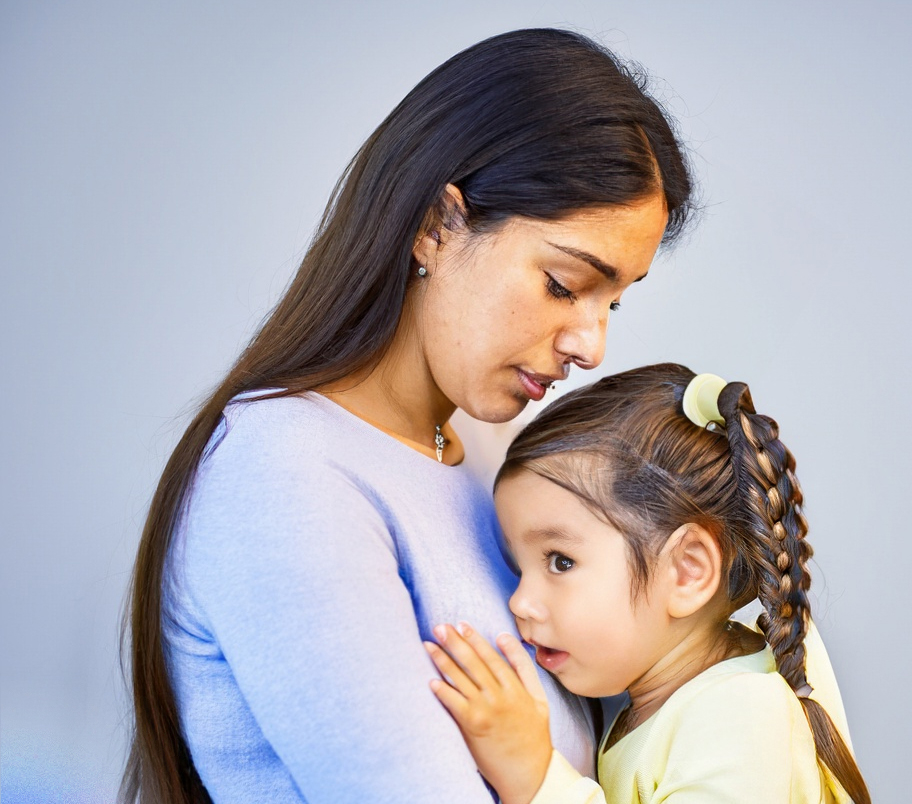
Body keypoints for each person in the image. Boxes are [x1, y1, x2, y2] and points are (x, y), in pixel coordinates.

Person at [122, 29, 694, 804]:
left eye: (612, 302)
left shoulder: (493, 452)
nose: (591, 346)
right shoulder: (284, 476)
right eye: (564, 285)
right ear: (436, 224)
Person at [425, 364, 871, 804]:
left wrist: (534, 776)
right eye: (519, 568)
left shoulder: (740, 719)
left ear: (686, 571)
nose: (521, 602)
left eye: (560, 561)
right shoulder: (647, 694)